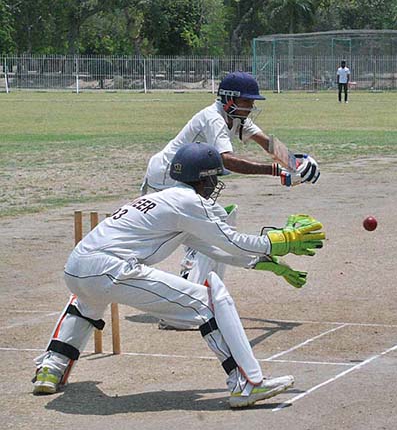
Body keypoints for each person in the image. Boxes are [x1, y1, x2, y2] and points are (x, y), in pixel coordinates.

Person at [32, 143, 326, 408]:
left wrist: (266, 263)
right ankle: (246, 383)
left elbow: (215, 250)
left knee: (87, 300)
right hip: (112, 270)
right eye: (216, 178)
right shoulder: (191, 203)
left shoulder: (165, 199)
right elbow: (233, 241)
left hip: (77, 268)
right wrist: (283, 240)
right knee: (208, 301)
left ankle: (51, 368)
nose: (217, 184)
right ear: (206, 178)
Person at [141, 71, 320, 290]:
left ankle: (207, 290)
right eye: (247, 101)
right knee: (204, 232)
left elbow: (267, 144)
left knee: (220, 222)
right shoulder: (213, 118)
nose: (251, 106)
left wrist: (296, 163)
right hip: (167, 178)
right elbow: (226, 161)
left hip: (187, 180)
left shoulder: (237, 118)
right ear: (229, 99)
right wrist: (277, 171)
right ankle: (189, 291)